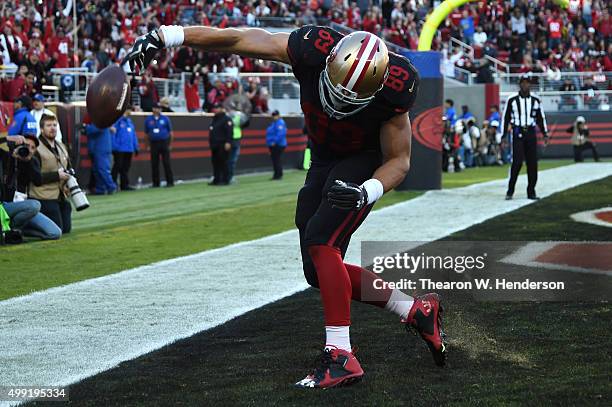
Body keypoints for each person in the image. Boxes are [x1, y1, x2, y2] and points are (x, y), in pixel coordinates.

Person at [125, 24, 447, 388]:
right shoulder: (312, 48)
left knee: (322, 238)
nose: (339, 103)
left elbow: (400, 160)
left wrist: (367, 190)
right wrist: (169, 35)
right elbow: (237, 39)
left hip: (362, 160)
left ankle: (341, 355)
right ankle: (415, 310)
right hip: (324, 158)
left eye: (350, 99)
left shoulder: (395, 85)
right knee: (318, 270)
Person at [1, 132, 62, 241]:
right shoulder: (5, 157)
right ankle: (11, 231)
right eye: (26, 146)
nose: (29, 149)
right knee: (34, 205)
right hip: (4, 207)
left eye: (33, 148)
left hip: (22, 207)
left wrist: (27, 161)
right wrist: (8, 139)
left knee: (55, 233)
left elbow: (38, 181)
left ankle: (15, 231)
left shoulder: (32, 161)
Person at [502, 74, 549, 200]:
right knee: (517, 163)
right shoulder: (512, 99)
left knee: (532, 163)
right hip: (517, 131)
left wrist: (545, 133)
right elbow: (505, 118)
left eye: (527, 82)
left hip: (531, 132)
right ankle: (510, 190)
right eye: (523, 82)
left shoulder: (535, 100)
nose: (525, 85)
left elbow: (540, 118)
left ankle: (531, 191)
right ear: (519, 84)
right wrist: (503, 136)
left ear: (530, 84)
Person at [29, 114, 73, 234]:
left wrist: (68, 184)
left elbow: (69, 168)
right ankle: (25, 228)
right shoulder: (35, 148)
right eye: (48, 125)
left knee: (66, 230)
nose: (52, 128)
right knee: (57, 230)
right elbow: (35, 178)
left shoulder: (61, 146)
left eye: (54, 125)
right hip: (43, 196)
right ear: (42, 129)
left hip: (60, 195)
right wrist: (56, 176)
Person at [144, 102, 174, 187]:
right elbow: (146, 134)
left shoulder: (165, 119)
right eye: (155, 108)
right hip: (153, 143)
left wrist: (170, 144)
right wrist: (147, 145)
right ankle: (155, 183)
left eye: (158, 108)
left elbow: (171, 133)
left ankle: (170, 182)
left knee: (166, 162)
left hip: (164, 142)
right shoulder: (148, 119)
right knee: (154, 163)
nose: (157, 110)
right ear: (153, 109)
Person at [111, 106, 139, 191]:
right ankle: (113, 185)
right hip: (119, 149)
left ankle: (124, 185)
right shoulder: (118, 120)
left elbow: (133, 135)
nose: (131, 112)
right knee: (117, 167)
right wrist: (115, 146)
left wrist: (136, 147)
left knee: (125, 168)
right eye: (130, 110)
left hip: (129, 149)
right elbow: (113, 134)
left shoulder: (129, 121)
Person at [86, 123, 117, 195]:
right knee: (96, 170)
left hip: (101, 148)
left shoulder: (101, 122)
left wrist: (86, 127)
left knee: (102, 169)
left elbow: (91, 130)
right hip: (96, 148)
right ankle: (100, 189)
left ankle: (111, 187)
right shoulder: (99, 121)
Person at [208, 103, 233, 185]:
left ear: (222, 109)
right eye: (215, 108)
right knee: (215, 163)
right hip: (214, 145)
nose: (215, 109)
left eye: (217, 108)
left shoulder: (226, 119)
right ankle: (217, 179)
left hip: (223, 144)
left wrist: (228, 142)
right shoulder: (214, 119)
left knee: (223, 162)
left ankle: (224, 180)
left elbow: (229, 132)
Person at [266, 110, 287, 180]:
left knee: (277, 160)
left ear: (278, 115)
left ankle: (278, 175)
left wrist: (274, 142)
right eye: (273, 115)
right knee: (275, 160)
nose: (274, 117)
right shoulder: (274, 123)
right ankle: (276, 174)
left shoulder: (280, 123)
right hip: (273, 144)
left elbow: (280, 134)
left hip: (278, 144)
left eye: (275, 115)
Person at [228, 109, 248, 183]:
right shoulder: (237, 116)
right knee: (232, 160)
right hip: (234, 139)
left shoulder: (230, 115)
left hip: (235, 139)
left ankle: (228, 177)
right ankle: (229, 177)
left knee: (231, 160)